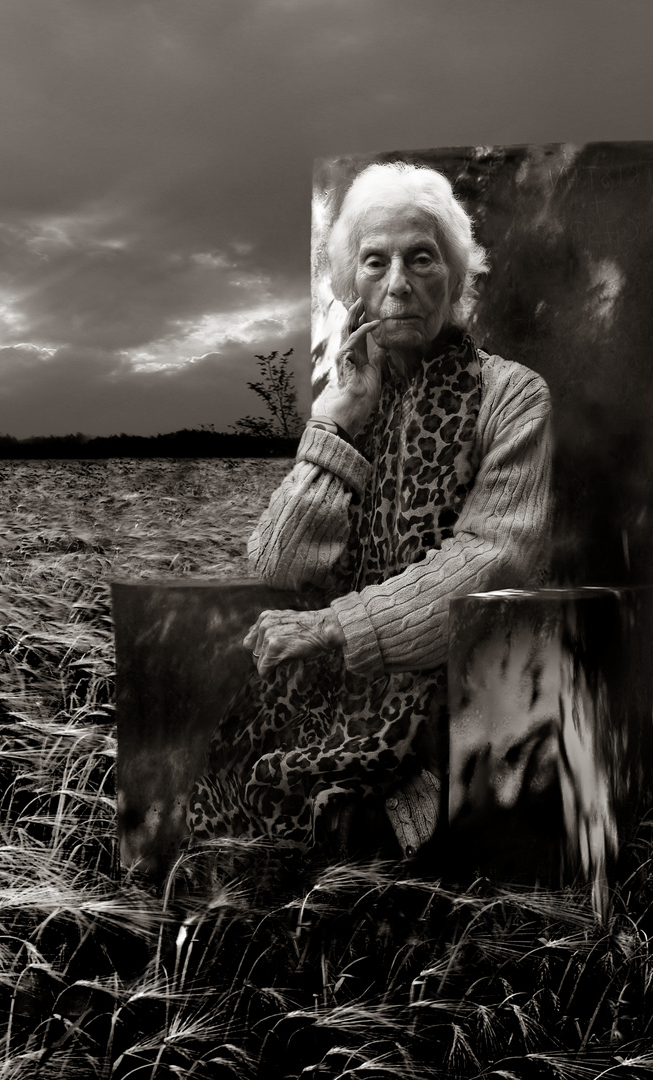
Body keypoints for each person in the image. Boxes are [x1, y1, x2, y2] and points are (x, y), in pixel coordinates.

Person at [186, 162, 554, 854]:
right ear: (351, 285)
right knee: (239, 819)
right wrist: (332, 428)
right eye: (374, 262)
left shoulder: (515, 396)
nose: (398, 285)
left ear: (455, 276)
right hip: (324, 698)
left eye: (422, 259)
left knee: (348, 838)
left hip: (447, 702)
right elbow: (278, 563)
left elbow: (488, 561)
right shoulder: (352, 396)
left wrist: (335, 627)